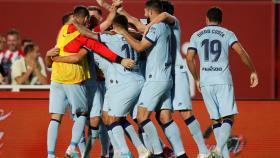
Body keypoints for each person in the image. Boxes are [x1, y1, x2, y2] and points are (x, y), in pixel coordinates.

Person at [45, 6, 135, 158]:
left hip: (56, 78)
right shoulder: (83, 36)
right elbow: (98, 47)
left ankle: (51, 154)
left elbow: (100, 29)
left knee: (56, 117)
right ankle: (73, 148)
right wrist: (121, 60)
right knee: (82, 114)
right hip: (72, 78)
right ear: (86, 20)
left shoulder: (63, 30)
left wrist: (51, 57)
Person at [114, 1, 187, 157]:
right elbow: (139, 25)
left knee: (141, 116)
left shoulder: (156, 26)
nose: (144, 16)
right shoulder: (164, 27)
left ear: (149, 11)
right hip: (166, 78)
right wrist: (121, 11)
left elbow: (140, 46)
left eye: (145, 12)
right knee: (164, 117)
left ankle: (158, 153)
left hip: (155, 79)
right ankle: (181, 154)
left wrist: (124, 32)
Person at [186, 7, 259, 158]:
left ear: (206, 19)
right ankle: (218, 150)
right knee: (228, 118)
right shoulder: (227, 33)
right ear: (221, 20)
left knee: (215, 120)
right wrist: (252, 70)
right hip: (222, 79)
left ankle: (222, 155)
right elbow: (241, 52)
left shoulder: (196, 35)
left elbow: (189, 58)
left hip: (206, 81)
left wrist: (196, 78)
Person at [145, 1, 209, 157]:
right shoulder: (156, 27)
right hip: (163, 75)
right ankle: (178, 153)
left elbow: (165, 16)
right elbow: (135, 23)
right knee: (162, 115)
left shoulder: (173, 22)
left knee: (185, 112)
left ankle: (204, 151)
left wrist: (149, 24)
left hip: (177, 71)